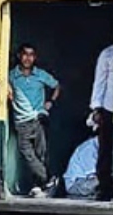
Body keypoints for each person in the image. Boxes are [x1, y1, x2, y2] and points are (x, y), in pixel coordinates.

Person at [8, 43, 60, 198]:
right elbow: (6, 88)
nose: (28, 58)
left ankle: (39, 187)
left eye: (31, 55)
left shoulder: (40, 74)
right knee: (27, 154)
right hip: (21, 121)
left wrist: (50, 102)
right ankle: (48, 179)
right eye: (25, 54)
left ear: (35, 58)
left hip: (38, 119)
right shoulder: (11, 75)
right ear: (19, 56)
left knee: (40, 154)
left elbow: (57, 86)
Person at [88, 43, 113, 201]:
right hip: (109, 108)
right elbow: (100, 81)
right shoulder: (108, 53)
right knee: (106, 150)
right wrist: (96, 108)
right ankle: (105, 189)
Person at [63, 132, 100, 200]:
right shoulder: (89, 148)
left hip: (86, 181)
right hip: (76, 183)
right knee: (103, 180)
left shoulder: (98, 147)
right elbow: (92, 176)